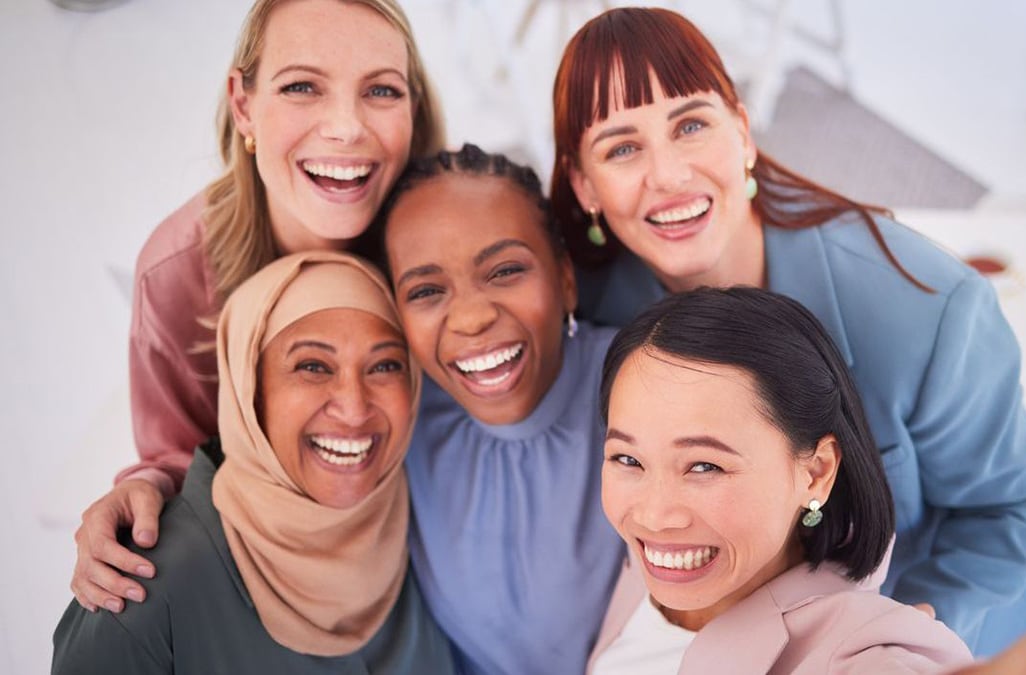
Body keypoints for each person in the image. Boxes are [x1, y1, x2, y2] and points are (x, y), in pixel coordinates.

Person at [550, 6, 1026, 656]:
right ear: (583, 185)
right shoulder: (595, 298)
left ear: (743, 132)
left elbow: (1009, 510)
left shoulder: (927, 307)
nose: (668, 175)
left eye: (692, 126)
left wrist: (886, 639)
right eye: (622, 148)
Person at [71, 0, 445, 614]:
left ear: (413, 109)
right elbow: (176, 451)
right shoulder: (177, 272)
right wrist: (140, 486)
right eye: (302, 86)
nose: (347, 126)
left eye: (381, 90)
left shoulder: (444, 241)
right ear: (244, 105)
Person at [52, 251, 454, 673]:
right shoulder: (137, 585)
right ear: (250, 393)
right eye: (313, 366)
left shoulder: (432, 540)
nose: (354, 408)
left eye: (385, 365)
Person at [589, 286, 972, 674]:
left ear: (816, 472)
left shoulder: (862, 656)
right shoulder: (648, 568)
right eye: (628, 459)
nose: (654, 517)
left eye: (705, 466)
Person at [372, 144, 625, 674]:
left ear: (566, 280)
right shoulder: (401, 425)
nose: (469, 318)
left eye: (505, 270)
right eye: (426, 290)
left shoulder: (642, 384)